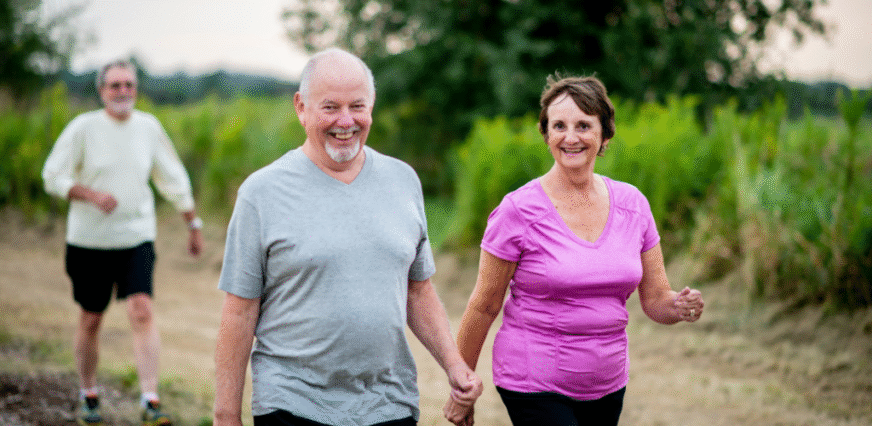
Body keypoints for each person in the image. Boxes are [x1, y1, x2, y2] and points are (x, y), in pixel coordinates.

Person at [212, 48, 482, 426]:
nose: (346, 121)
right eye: (330, 107)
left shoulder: (403, 181)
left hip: (388, 402)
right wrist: (226, 415)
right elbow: (239, 312)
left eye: (357, 106)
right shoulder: (262, 193)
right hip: (292, 402)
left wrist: (455, 366)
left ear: (371, 106)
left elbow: (418, 290)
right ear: (301, 107)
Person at [444, 75, 706, 426]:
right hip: (533, 380)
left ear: (605, 134)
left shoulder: (633, 205)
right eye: (559, 126)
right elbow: (484, 304)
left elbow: (656, 299)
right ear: (546, 134)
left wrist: (677, 305)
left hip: (608, 383)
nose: (571, 137)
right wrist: (462, 387)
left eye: (583, 125)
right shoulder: (518, 211)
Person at [42, 59, 204, 426]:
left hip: (136, 238)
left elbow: (172, 177)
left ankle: (150, 400)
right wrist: (88, 194)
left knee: (141, 310)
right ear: (102, 91)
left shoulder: (148, 127)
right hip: (89, 242)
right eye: (115, 85)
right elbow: (52, 175)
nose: (123, 92)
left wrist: (192, 223)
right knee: (91, 318)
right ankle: (89, 395)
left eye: (129, 84)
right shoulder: (83, 128)